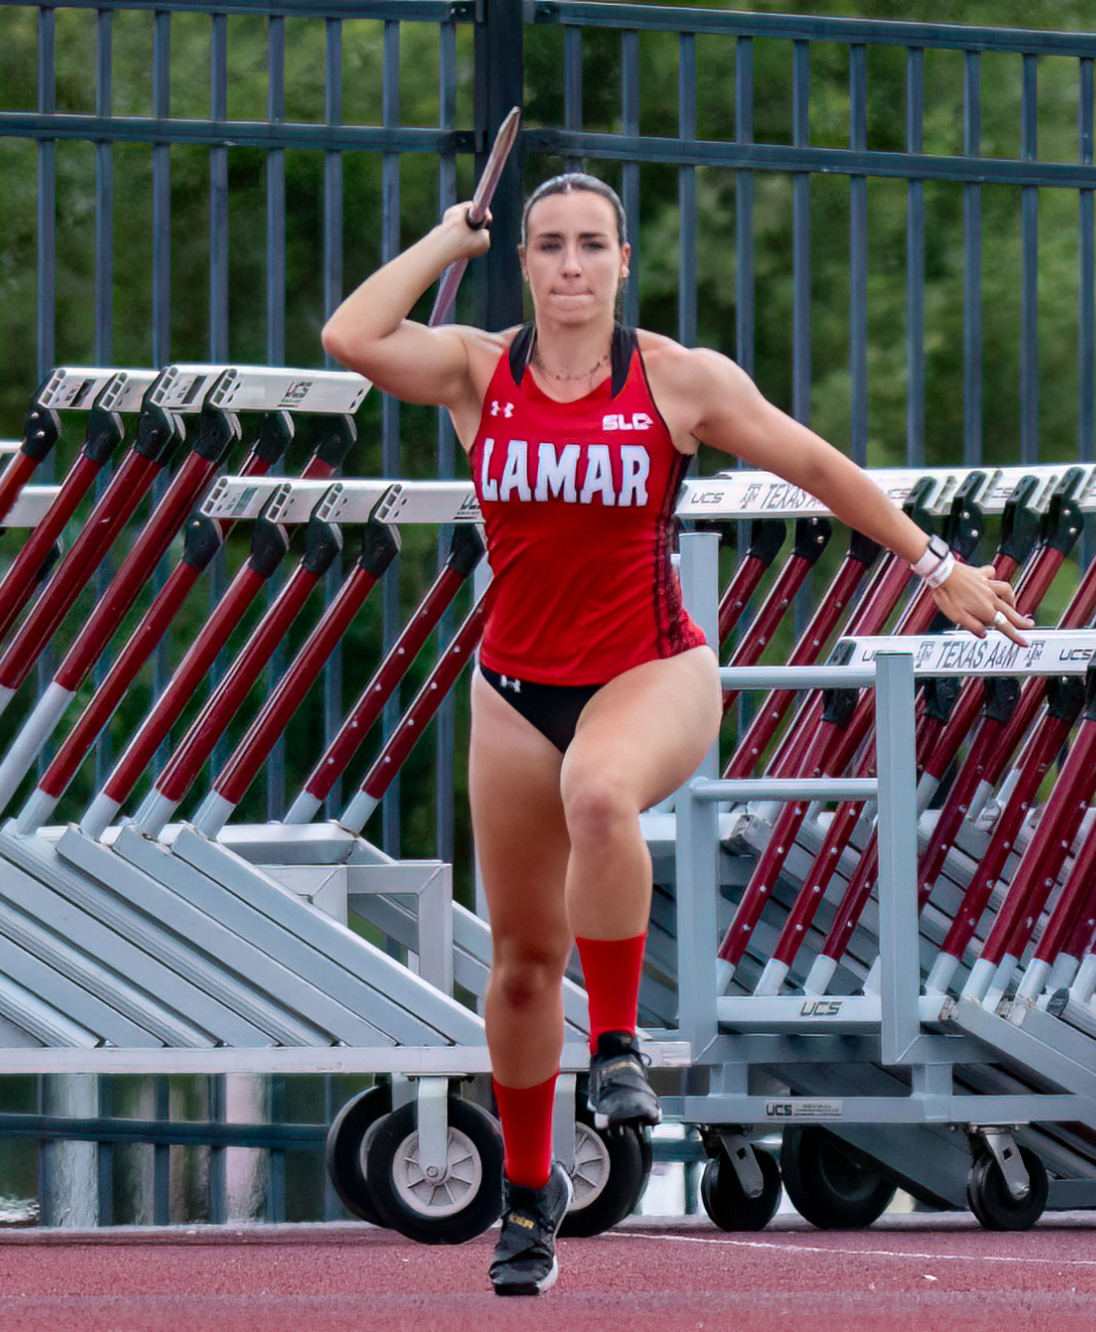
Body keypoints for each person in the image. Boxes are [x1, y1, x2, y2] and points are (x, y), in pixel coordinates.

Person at [322, 171, 1033, 1296]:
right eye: (547, 245)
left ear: (619, 261)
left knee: (601, 795)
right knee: (515, 969)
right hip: (512, 686)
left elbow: (812, 464)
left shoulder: (675, 380)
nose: (568, 265)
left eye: (589, 246)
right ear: (523, 264)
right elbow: (351, 334)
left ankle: (615, 1051)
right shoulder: (474, 369)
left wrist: (933, 566)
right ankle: (528, 1196)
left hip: (652, 670)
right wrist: (441, 239)